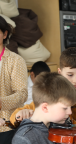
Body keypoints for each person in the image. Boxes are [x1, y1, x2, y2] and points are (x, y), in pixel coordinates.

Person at [10, 48, 76, 129]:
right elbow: (14, 117)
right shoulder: (49, 92)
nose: (75, 80)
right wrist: (22, 113)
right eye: (70, 75)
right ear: (60, 72)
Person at [12, 72, 76, 144]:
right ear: (45, 108)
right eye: (65, 108)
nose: (70, 112)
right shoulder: (24, 139)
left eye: (70, 107)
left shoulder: (55, 125)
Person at [0, 16, 27, 144]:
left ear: (5, 34)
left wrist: (1, 103)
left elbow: (22, 94)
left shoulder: (16, 60)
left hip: (5, 127)